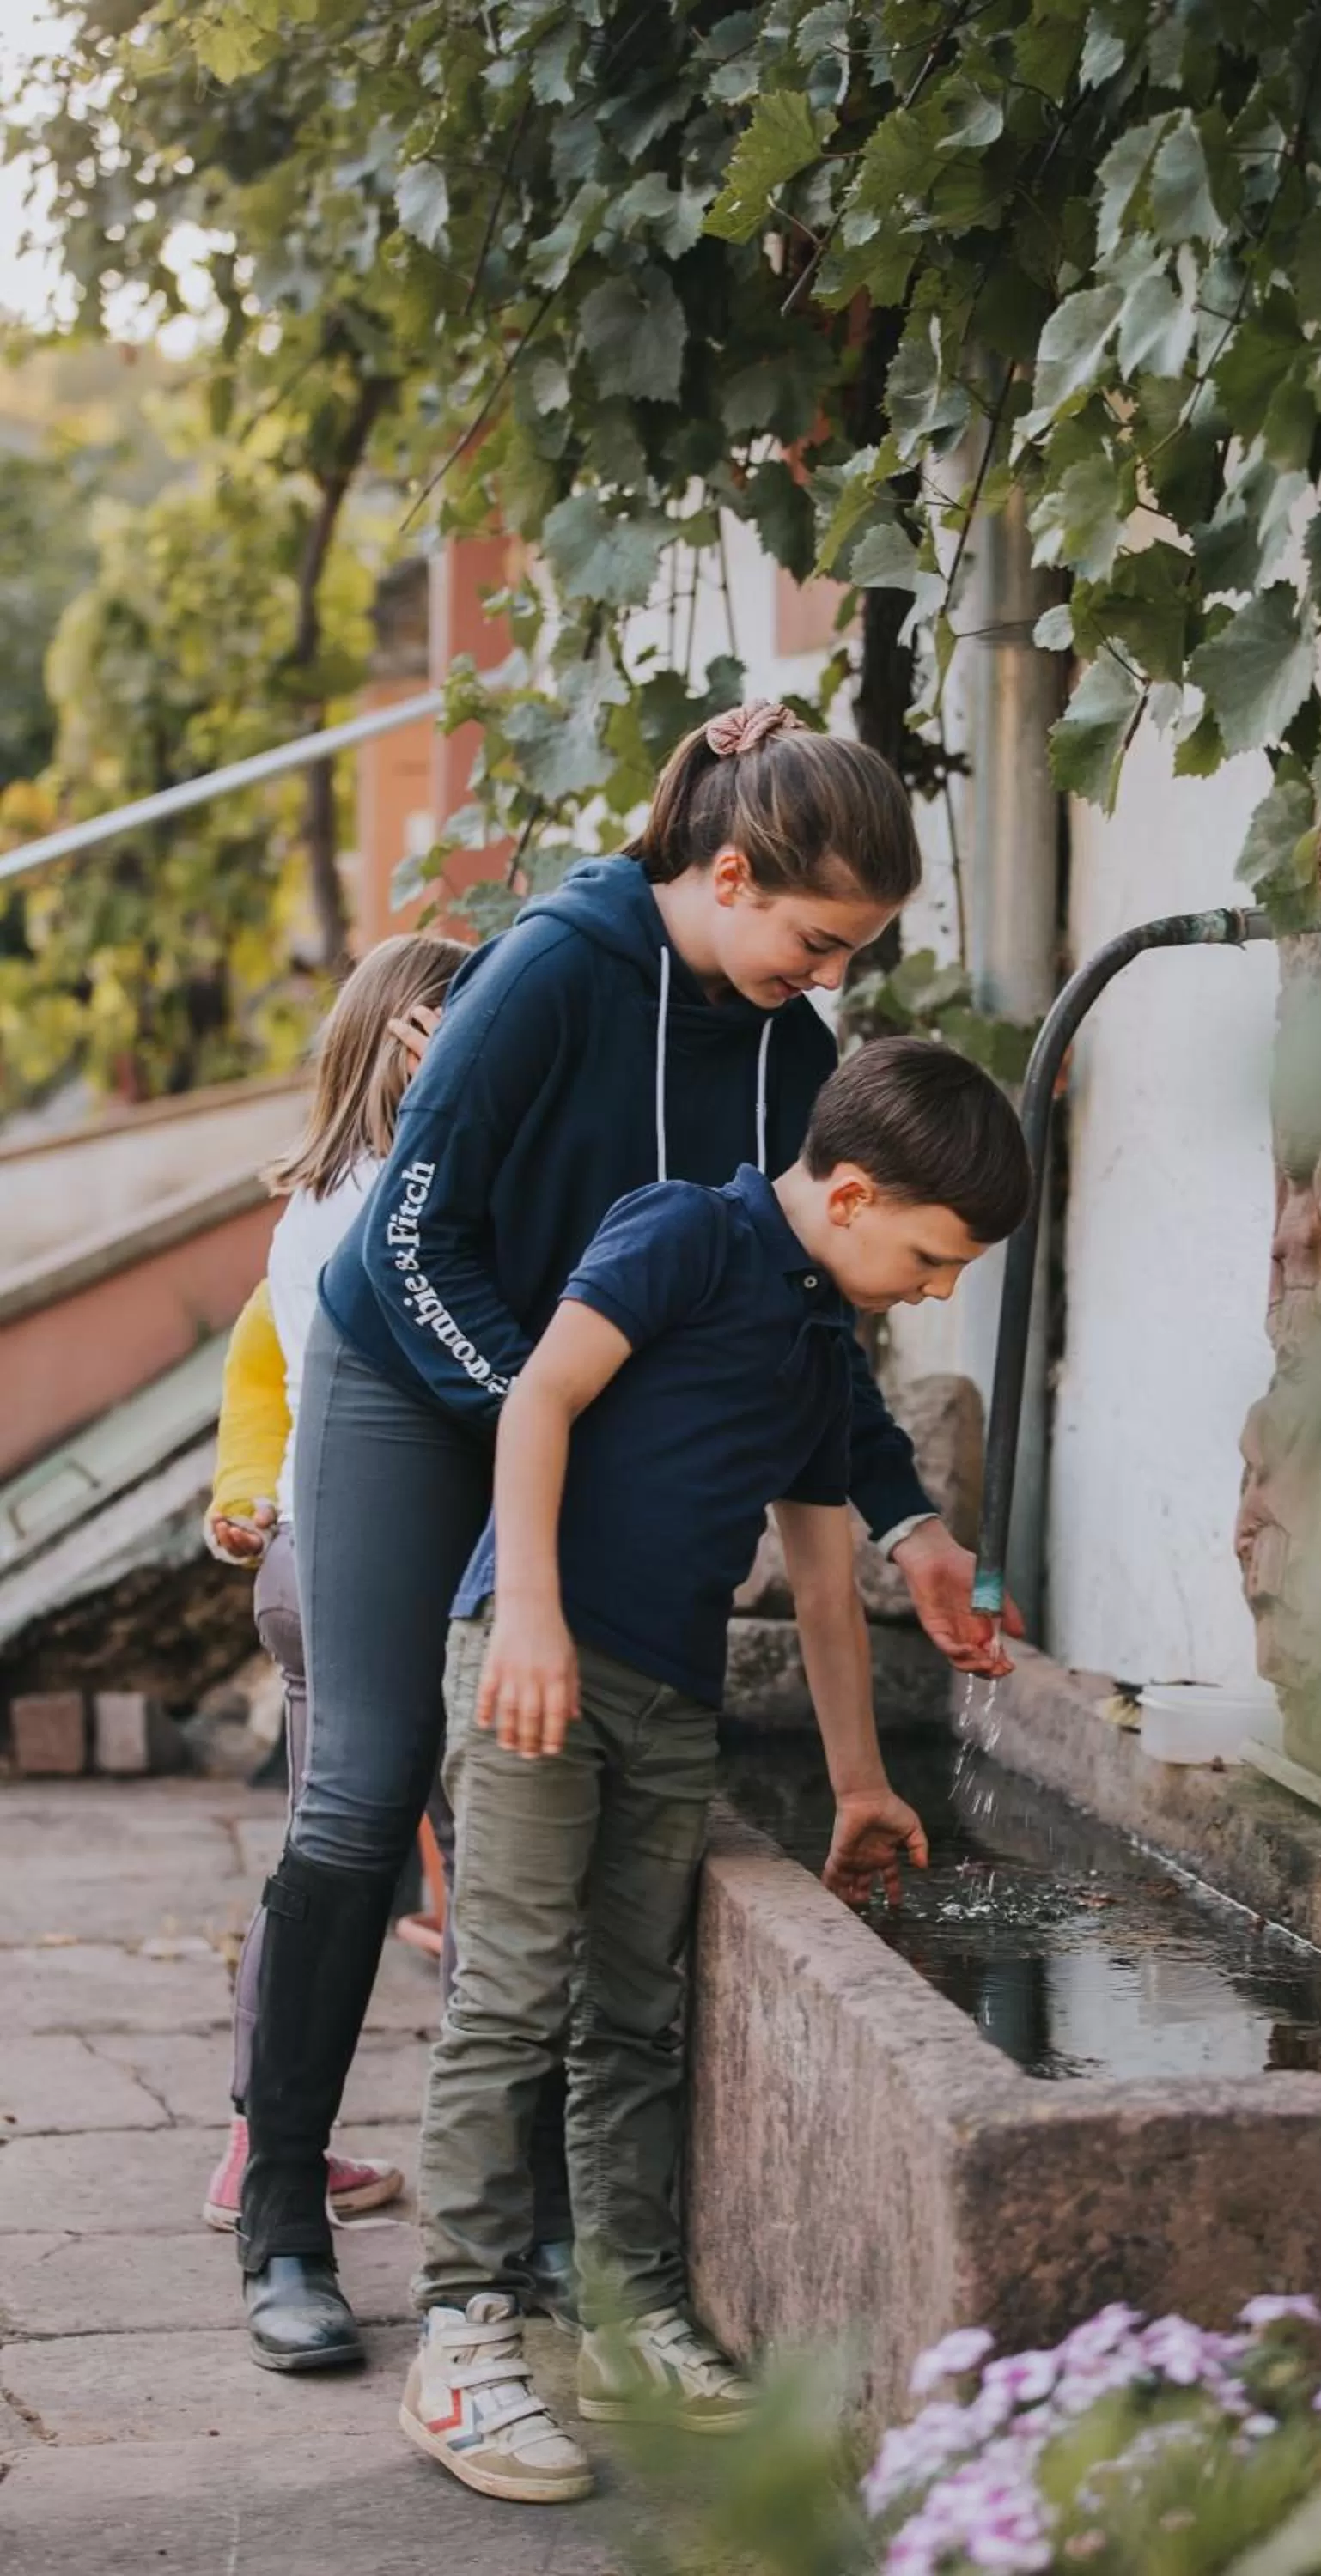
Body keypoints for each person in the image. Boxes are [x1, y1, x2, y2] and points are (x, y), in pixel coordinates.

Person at [239, 702, 1024, 2370]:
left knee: (534, 1804)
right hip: (424, 1372)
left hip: (566, 1405)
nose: (824, 979)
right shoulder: (551, 969)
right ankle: (284, 2210)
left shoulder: (792, 1053)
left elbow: (808, 1330)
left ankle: (536, 2218)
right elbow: (415, 1239)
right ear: (725, 874)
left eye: (853, 957)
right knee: (375, 1776)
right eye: (812, 940)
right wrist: (555, 1412)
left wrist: (905, 1516)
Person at [398, 1037, 1032, 2501]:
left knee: (636, 2007)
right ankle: (464, 2335)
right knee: (509, 1992)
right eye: (935, 1257)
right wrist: (533, 1617)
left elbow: (821, 1572)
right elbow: (540, 1402)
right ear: (858, 1194)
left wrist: (863, 1779)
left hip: (669, 1694)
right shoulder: (680, 1231)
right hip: (535, 1656)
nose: (940, 1289)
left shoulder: (819, 1337)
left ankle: (626, 2315)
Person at [198, 935, 464, 2236]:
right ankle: (480, 2157)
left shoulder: (312, 1201)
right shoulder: (397, 1205)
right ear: (413, 1047)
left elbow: (263, 1366)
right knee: (441, 1858)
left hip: (306, 1561)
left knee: (318, 1862)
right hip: (374, 1558)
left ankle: (260, 2141)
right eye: (464, 1035)